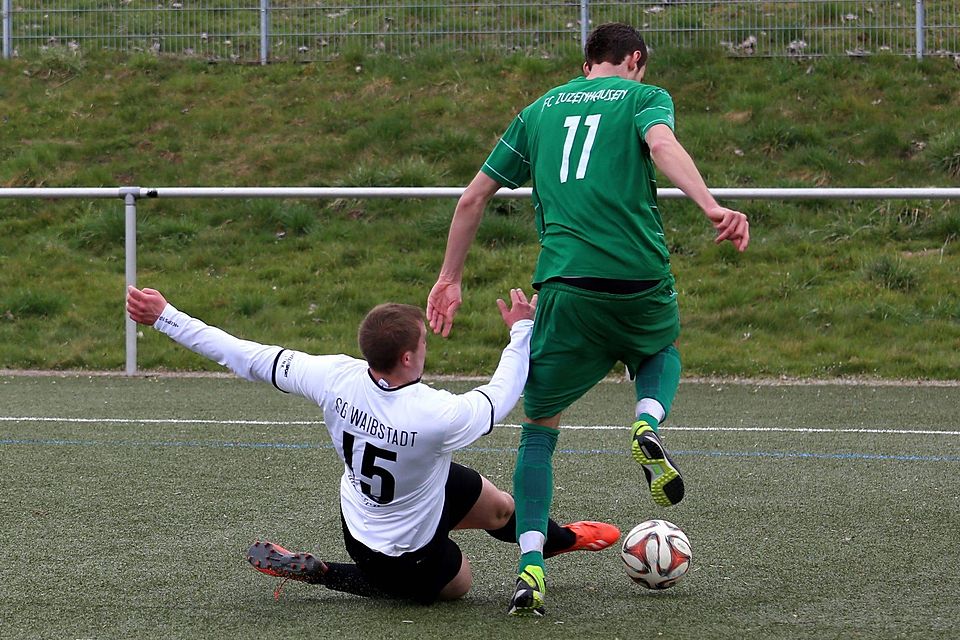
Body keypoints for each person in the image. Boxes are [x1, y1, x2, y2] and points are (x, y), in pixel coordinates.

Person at [427, 22, 750, 616]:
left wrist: (450, 276)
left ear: (586, 64)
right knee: (661, 350)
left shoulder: (540, 110)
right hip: (639, 279)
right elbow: (661, 146)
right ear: (634, 60)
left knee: (540, 429)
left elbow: (472, 198)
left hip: (567, 286)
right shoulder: (642, 97)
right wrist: (710, 206)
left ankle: (530, 567)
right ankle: (646, 420)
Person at [126, 285, 620, 605]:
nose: (428, 347)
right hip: (395, 548)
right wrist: (521, 332)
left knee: (498, 509)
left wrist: (166, 316)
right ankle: (326, 573)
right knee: (460, 585)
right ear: (407, 357)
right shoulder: (433, 415)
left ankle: (563, 539)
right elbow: (499, 397)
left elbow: (245, 355)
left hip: (373, 505)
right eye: (424, 343)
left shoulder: (333, 376)